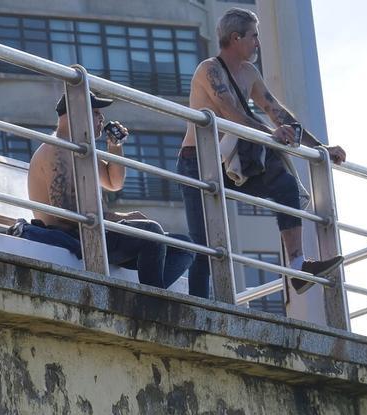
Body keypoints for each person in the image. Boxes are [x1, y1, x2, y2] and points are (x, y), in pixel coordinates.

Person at [177, 7, 345, 299]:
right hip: (197, 162)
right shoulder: (209, 70)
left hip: (231, 161)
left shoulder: (250, 72)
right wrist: (272, 135)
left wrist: (321, 148)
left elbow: (277, 112)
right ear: (235, 37)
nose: (258, 43)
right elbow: (231, 112)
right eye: (254, 36)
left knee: (285, 184)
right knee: (204, 242)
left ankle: (297, 266)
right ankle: (198, 304)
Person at [25, 92, 195, 290]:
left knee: (185, 247)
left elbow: (114, 182)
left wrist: (115, 146)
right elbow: (66, 212)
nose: (101, 118)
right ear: (76, 114)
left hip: (95, 233)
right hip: (74, 236)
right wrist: (120, 218)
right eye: (96, 112)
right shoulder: (57, 149)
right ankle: (152, 302)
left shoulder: (80, 150)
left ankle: (145, 297)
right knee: (151, 232)